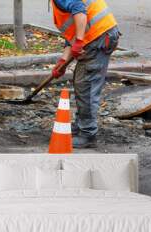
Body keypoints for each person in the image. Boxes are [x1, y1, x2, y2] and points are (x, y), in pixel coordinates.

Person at [50, 0, 120, 148]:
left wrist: (79, 41)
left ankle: (88, 134)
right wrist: (63, 61)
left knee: (86, 85)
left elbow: (79, 9)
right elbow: (73, 31)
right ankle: (82, 124)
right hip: (99, 34)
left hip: (98, 36)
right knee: (81, 81)